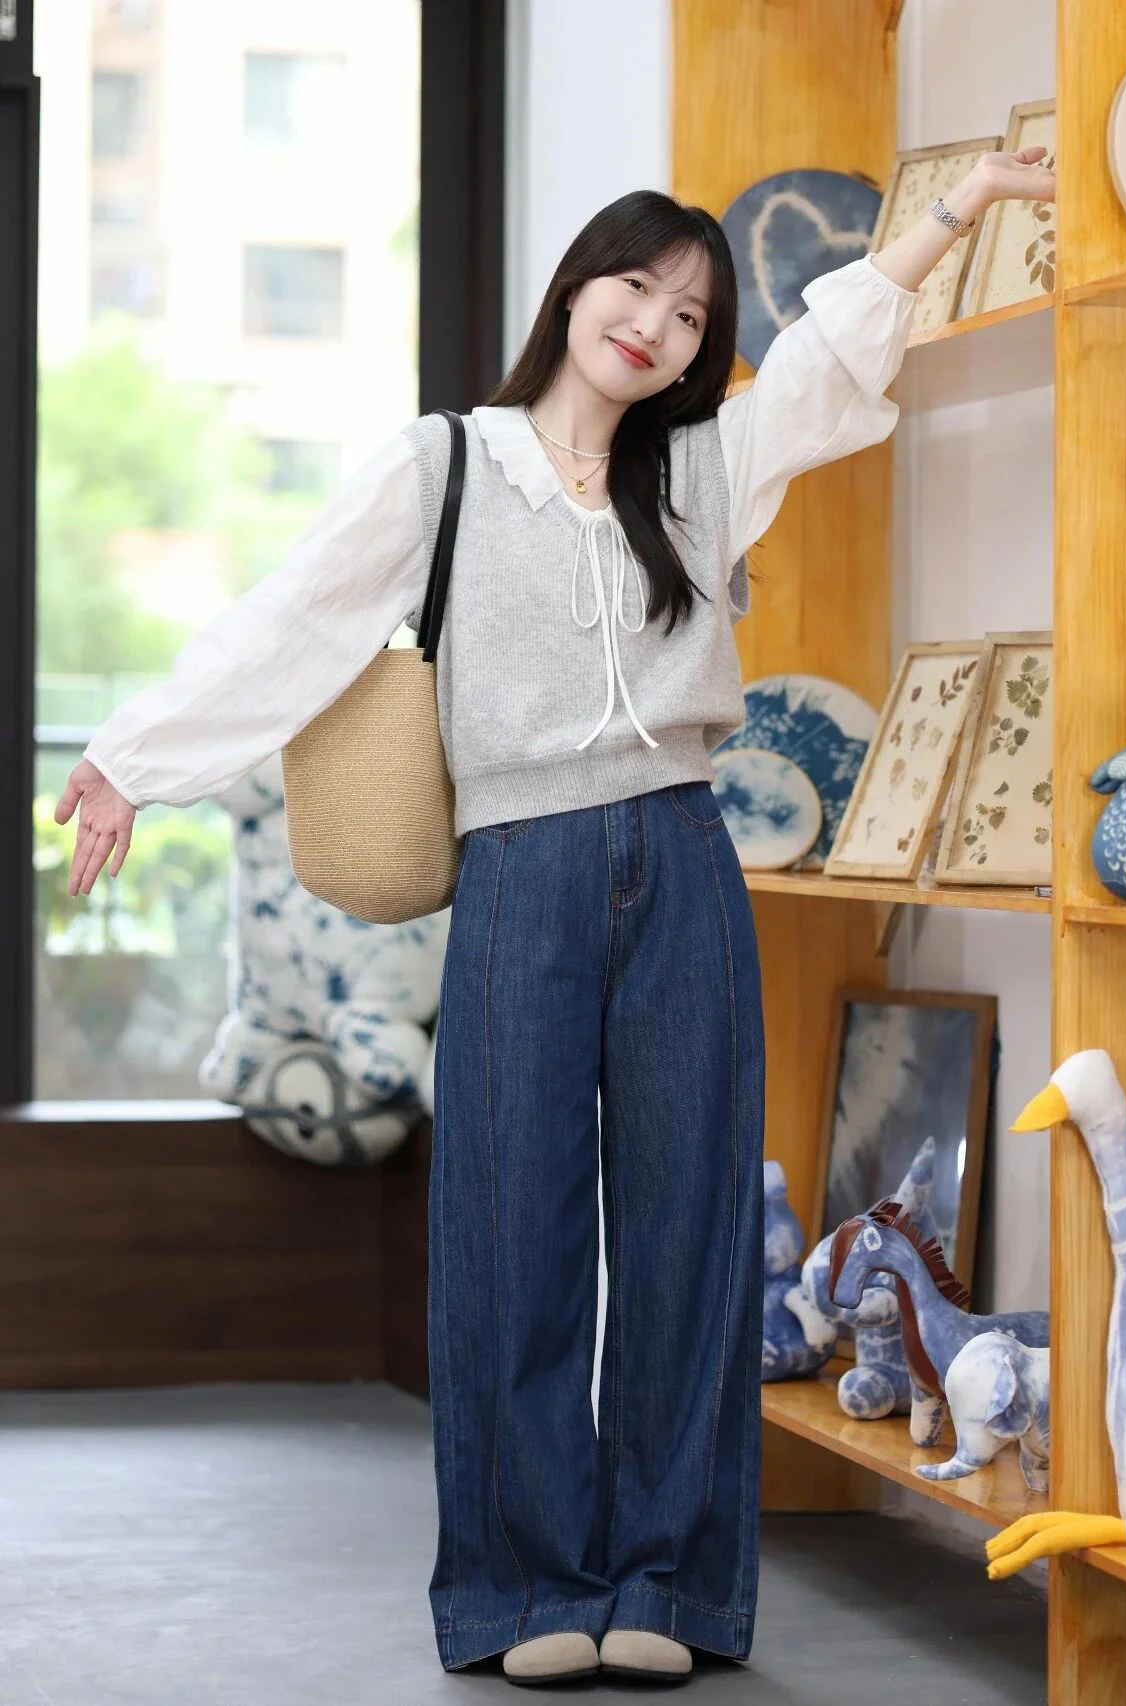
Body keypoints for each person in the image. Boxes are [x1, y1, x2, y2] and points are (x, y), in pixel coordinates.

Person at [59, 148, 1056, 1687]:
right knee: (513, 1231)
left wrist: (962, 202)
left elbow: (841, 345)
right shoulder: (448, 465)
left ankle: (665, 1578)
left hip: (684, 854)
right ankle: (526, 1590)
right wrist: (137, 756)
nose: (655, 323)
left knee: (688, 1229)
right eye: (635, 283)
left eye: (690, 309)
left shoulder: (709, 464)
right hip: (519, 869)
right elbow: (298, 618)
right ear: (576, 287)